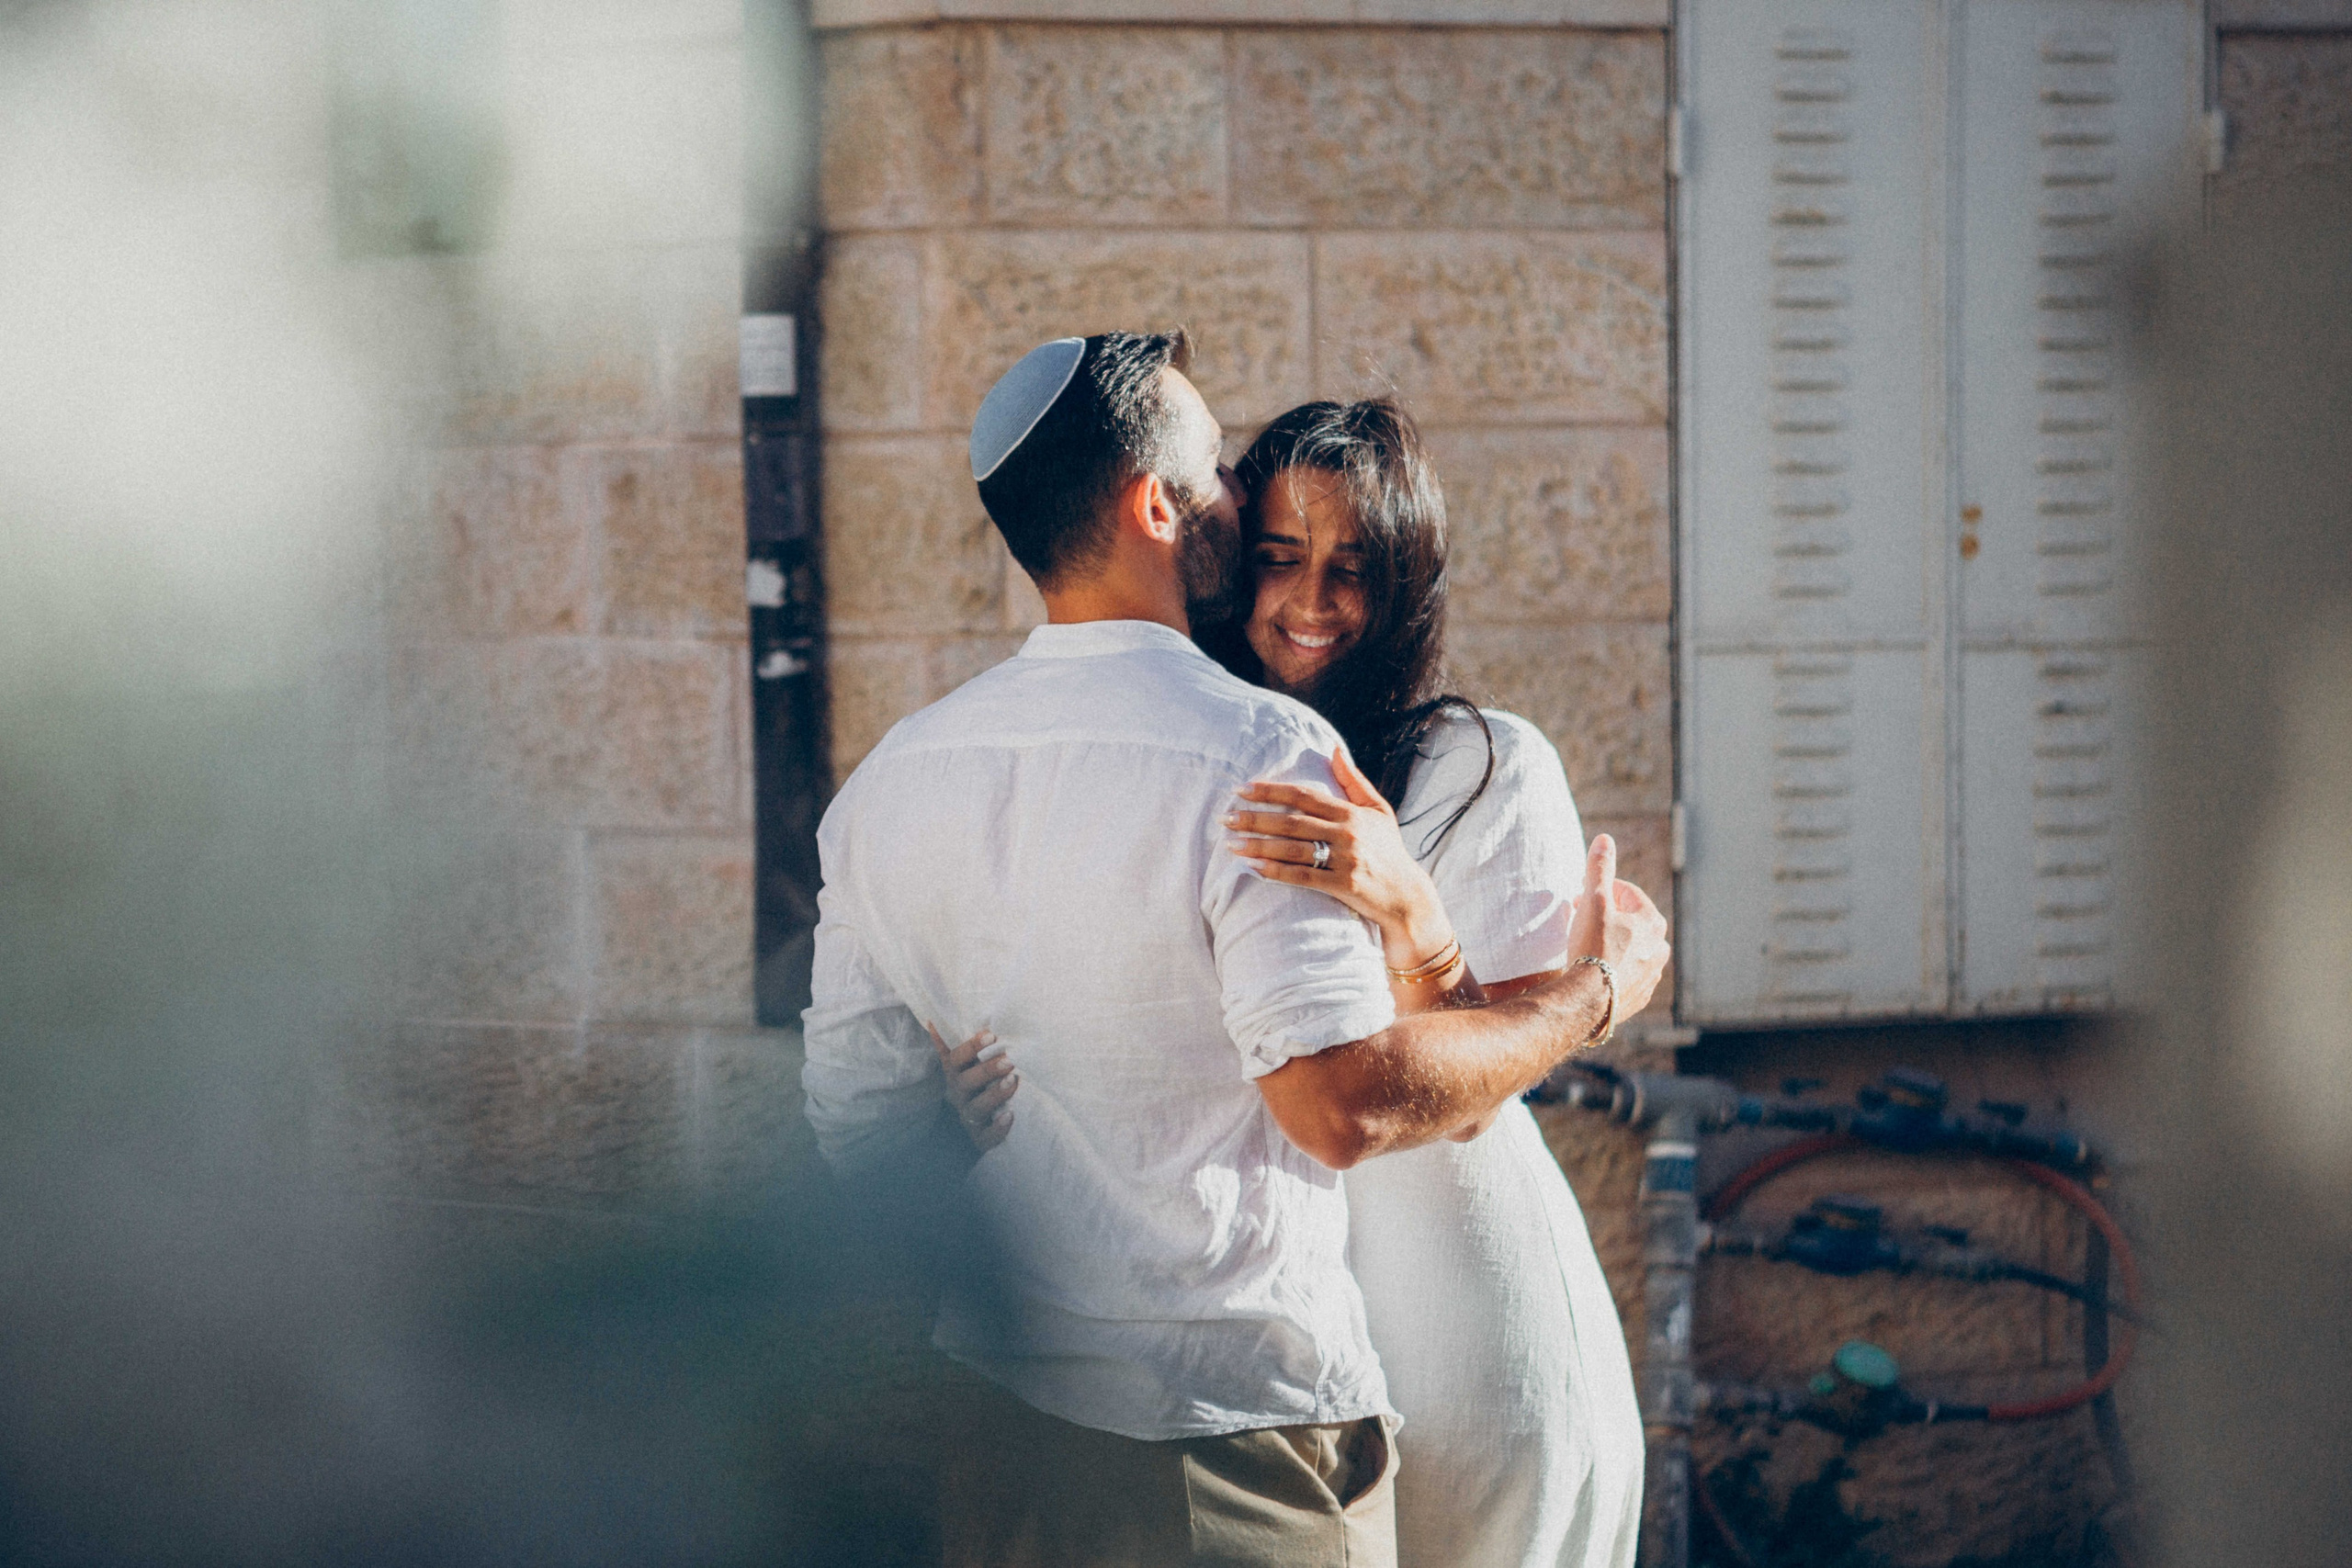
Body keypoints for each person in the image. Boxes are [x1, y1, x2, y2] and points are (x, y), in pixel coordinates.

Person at [802, 333, 1669, 1568]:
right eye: (1259, 531)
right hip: (1230, 1392)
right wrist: (1601, 990)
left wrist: (1420, 920)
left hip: (1399, 1323)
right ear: (1161, 511)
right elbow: (1333, 1105)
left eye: (1355, 568)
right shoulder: (1245, 752)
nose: (1311, 598)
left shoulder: (896, 781)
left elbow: (856, 1138)